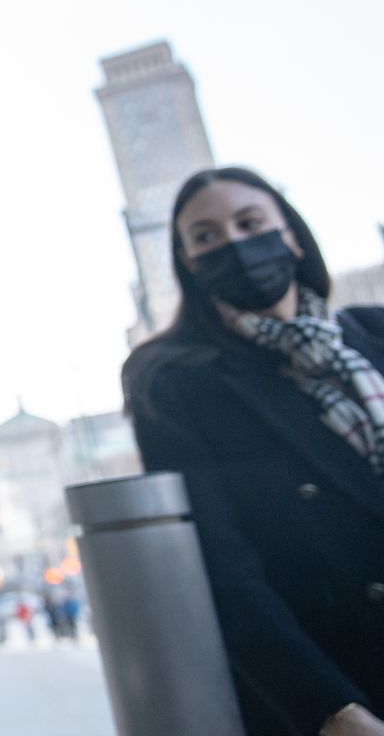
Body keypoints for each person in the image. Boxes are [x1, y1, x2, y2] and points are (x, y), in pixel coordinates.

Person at [124, 167, 384, 736]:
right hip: (341, 685)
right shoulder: (173, 379)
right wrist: (330, 708)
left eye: (250, 223)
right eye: (207, 236)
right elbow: (223, 568)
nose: (235, 244)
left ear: (291, 234)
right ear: (188, 262)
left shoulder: (374, 332)